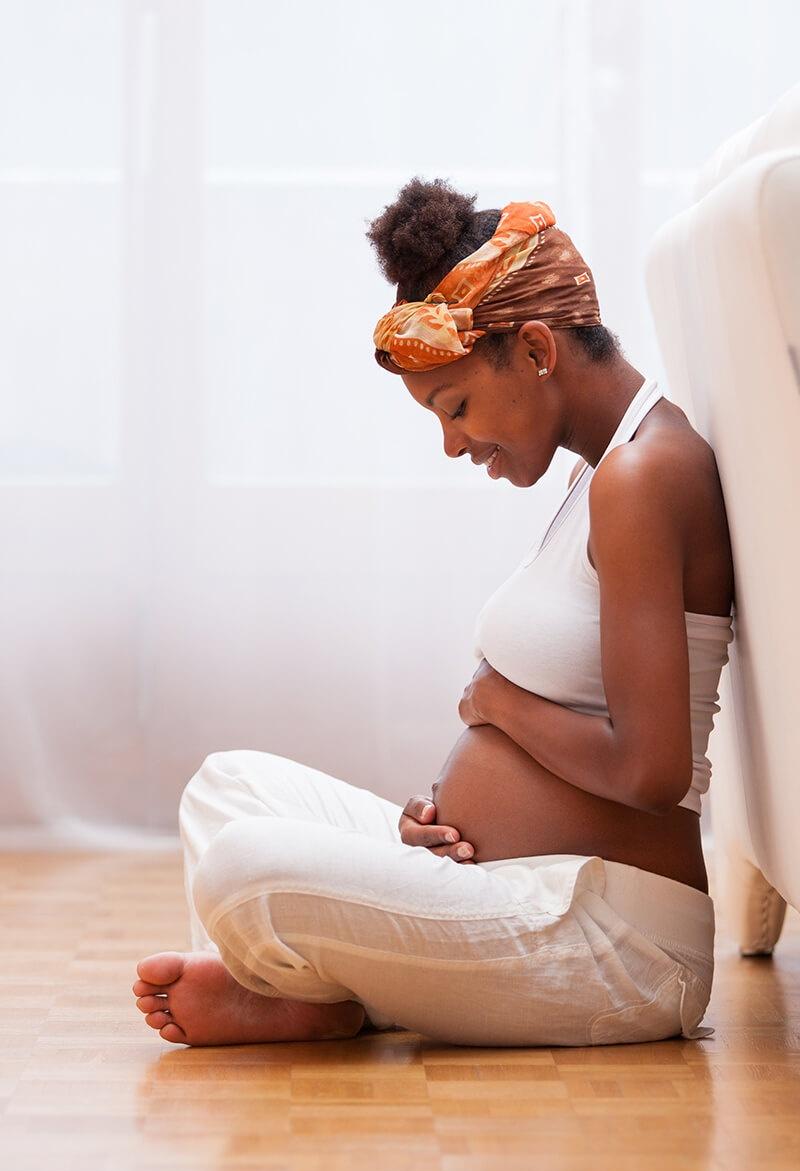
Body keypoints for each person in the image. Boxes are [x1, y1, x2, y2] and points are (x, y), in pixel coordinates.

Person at [132, 178, 735, 1049]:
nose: (454, 443)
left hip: (619, 943)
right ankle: (335, 988)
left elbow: (650, 775)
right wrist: (451, 814)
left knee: (243, 870)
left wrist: (495, 706)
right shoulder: (599, 474)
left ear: (534, 350)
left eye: (456, 407)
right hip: (516, 886)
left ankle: (323, 992)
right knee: (227, 786)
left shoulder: (644, 477)